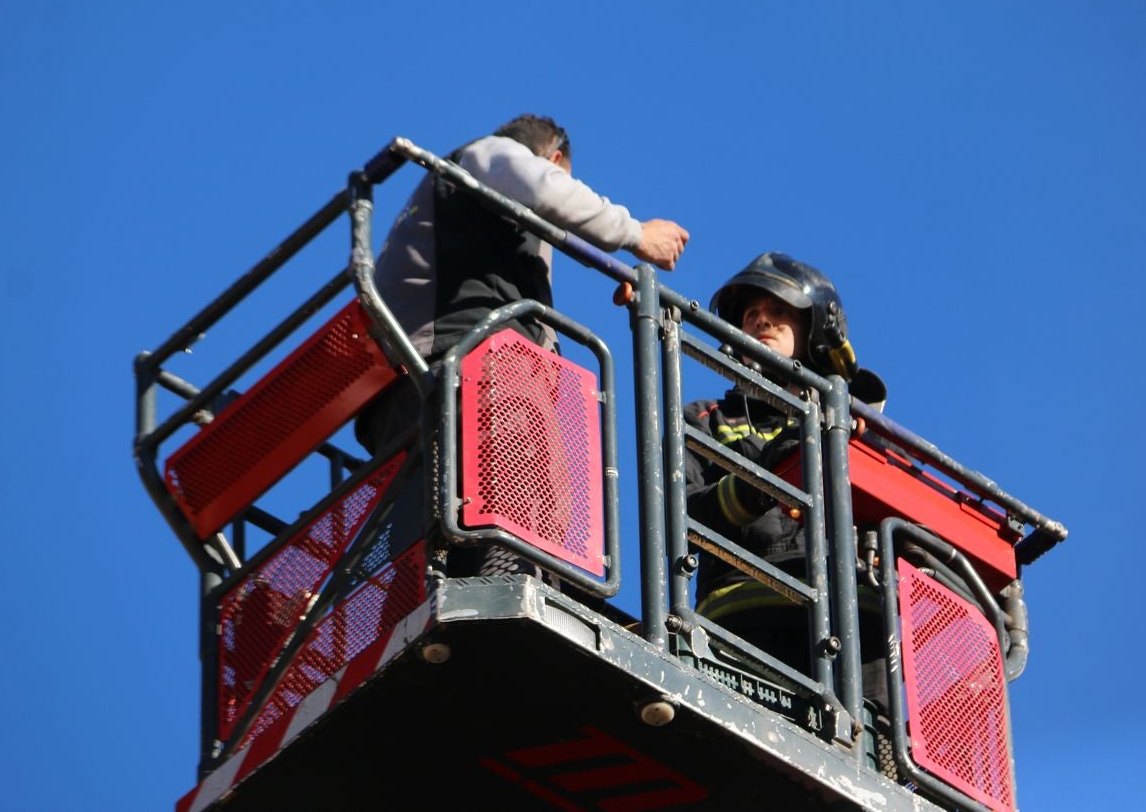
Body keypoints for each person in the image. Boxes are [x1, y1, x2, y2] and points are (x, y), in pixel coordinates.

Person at [356, 113, 690, 454]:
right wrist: (636, 233)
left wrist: (615, 267)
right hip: (468, 380)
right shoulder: (490, 153)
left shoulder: (449, 208)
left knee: (451, 502)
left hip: (405, 403)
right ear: (553, 159)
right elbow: (545, 190)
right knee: (529, 500)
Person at [683, 252, 889, 706]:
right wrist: (762, 481)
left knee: (872, 738)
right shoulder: (704, 419)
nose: (762, 322)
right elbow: (682, 518)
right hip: (744, 612)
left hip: (850, 617)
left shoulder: (853, 425)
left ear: (816, 332)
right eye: (751, 315)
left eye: (779, 313)